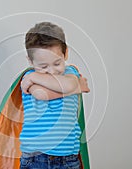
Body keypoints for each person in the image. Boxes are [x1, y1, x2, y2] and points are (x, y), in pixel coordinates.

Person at [19, 22, 90, 169]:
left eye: (57, 63)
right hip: (34, 158)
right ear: (31, 61)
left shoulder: (71, 73)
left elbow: (68, 85)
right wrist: (77, 87)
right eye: (43, 67)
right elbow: (41, 94)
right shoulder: (29, 75)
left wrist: (73, 85)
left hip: (67, 158)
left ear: (65, 54)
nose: (51, 71)